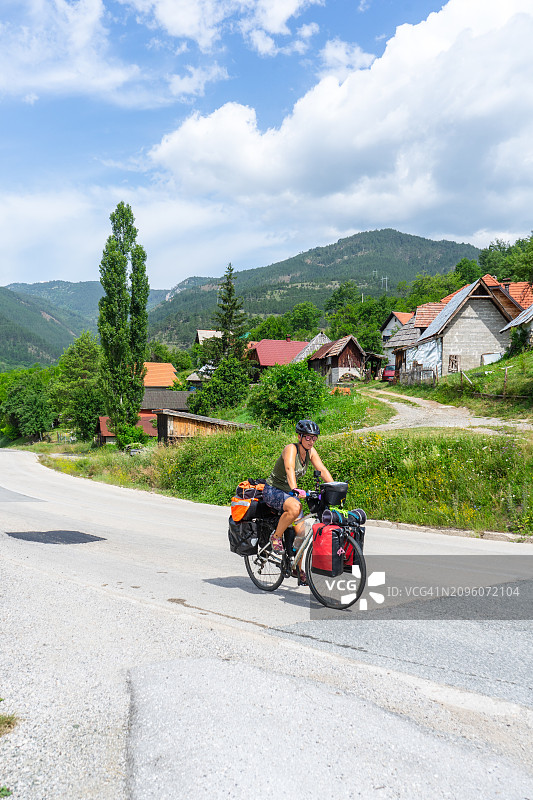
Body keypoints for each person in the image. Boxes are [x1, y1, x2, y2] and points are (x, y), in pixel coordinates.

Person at [263, 419, 333, 558]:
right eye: (308, 437)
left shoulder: (310, 452)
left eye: (314, 438)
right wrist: (295, 488)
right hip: (273, 490)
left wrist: (334, 486)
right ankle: (276, 537)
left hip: (289, 494)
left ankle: (297, 569)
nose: (311, 441)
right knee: (296, 507)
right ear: (299, 437)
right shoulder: (291, 449)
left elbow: (322, 470)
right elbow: (290, 468)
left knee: (301, 535)